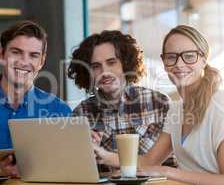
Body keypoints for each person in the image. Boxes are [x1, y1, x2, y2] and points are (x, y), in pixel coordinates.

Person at [93, 25, 224, 185]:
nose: (179, 64)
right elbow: (148, 163)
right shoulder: (176, 110)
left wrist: (166, 171)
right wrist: (102, 155)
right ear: (164, 63)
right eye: (171, 57)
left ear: (203, 60)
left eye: (189, 56)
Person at [0, 20, 72, 174]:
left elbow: (68, 174)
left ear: (41, 62)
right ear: (1, 55)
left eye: (33, 55)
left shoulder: (60, 110)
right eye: (16, 52)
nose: (24, 61)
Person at [67, 30, 172, 168]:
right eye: (96, 66)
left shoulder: (158, 103)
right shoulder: (81, 114)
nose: (104, 72)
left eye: (111, 62)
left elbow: (172, 163)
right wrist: (84, 151)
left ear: (126, 64)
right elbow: (75, 169)